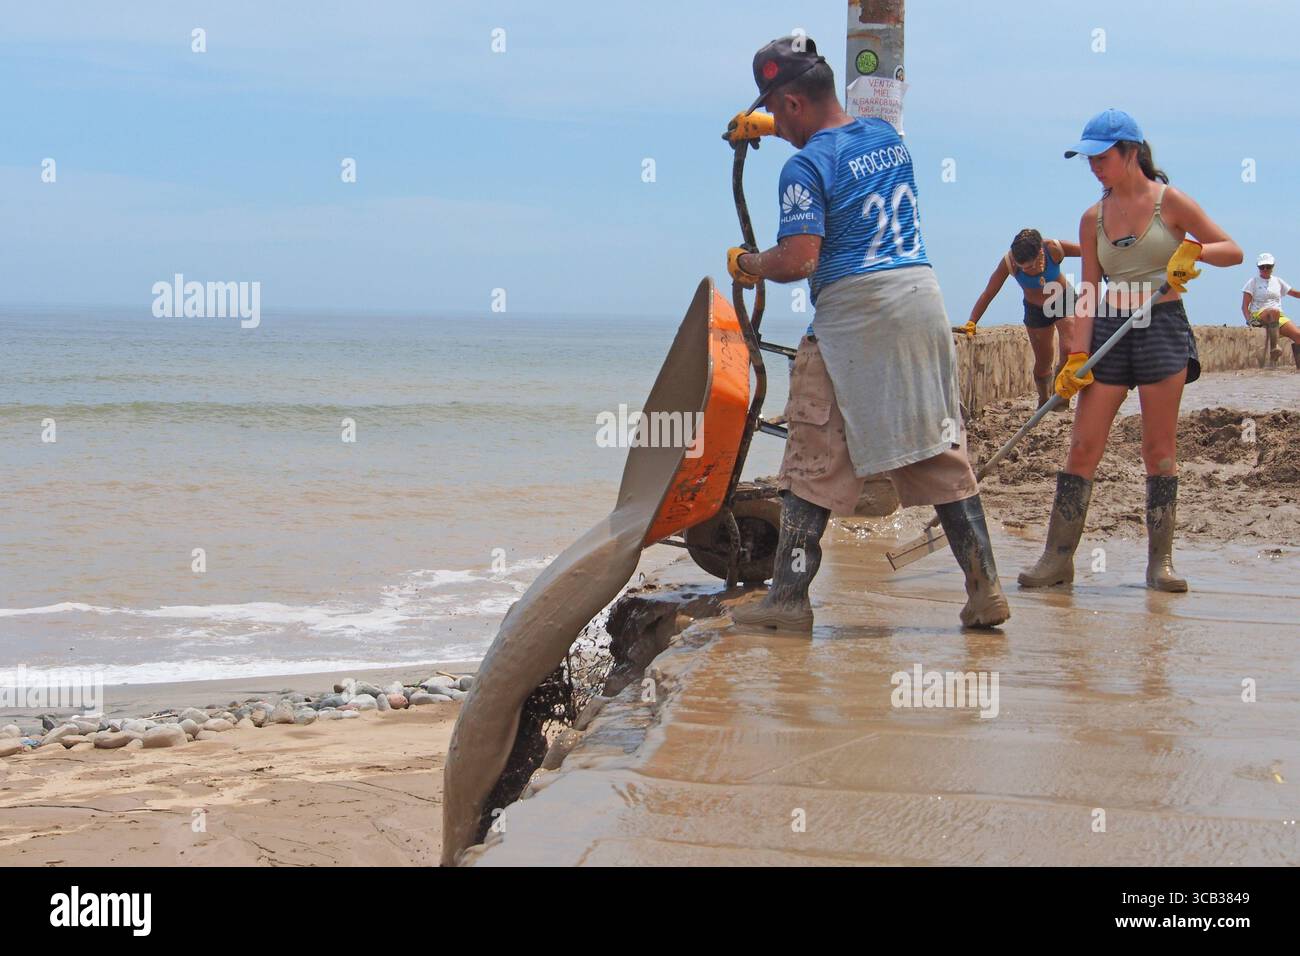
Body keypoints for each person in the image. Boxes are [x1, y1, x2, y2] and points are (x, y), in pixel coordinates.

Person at [722, 35, 1009, 630]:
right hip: (921, 299)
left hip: (857, 312)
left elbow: (801, 258)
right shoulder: (888, 138)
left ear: (794, 102)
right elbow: (837, 140)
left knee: (812, 453)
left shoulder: (803, 166)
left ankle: (789, 601)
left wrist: (748, 265)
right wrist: (767, 129)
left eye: (776, 110)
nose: (775, 120)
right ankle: (984, 590)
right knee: (938, 446)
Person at [1019, 109, 1242, 593]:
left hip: (1162, 326)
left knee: (1158, 451)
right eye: (1089, 159)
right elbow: (1091, 289)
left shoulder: (1170, 203)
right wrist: (1076, 353)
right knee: (1082, 447)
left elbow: (1232, 249)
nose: (1095, 166)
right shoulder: (1092, 218)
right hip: (1110, 331)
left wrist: (1194, 253)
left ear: (1131, 152)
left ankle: (1159, 565)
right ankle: (1056, 560)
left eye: (1102, 157)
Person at [965, 229, 1080, 406]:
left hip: (1062, 299)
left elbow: (1091, 249)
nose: (1028, 270)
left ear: (1040, 252)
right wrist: (972, 321)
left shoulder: (1053, 249)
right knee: (1043, 364)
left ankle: (1062, 397)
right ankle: (1043, 400)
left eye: (1031, 265)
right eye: (1023, 268)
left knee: (1069, 348)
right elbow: (989, 293)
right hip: (1035, 310)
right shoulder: (1009, 262)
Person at [1241, 252, 1300, 370]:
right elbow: (1244, 306)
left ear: (1273, 267)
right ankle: (1274, 347)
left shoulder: (1277, 281)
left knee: (1298, 335)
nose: (1265, 269)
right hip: (1259, 314)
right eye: (1262, 267)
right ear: (1258, 267)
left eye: (1268, 266)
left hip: (1278, 315)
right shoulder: (1253, 282)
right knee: (1273, 311)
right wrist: (1249, 321)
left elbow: (1293, 293)